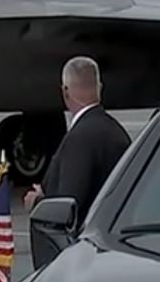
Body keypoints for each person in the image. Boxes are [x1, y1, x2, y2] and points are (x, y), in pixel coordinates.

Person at [23, 56, 131, 226]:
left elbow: (68, 208)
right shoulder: (117, 133)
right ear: (99, 88)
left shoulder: (78, 140)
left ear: (65, 92)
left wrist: (37, 202)